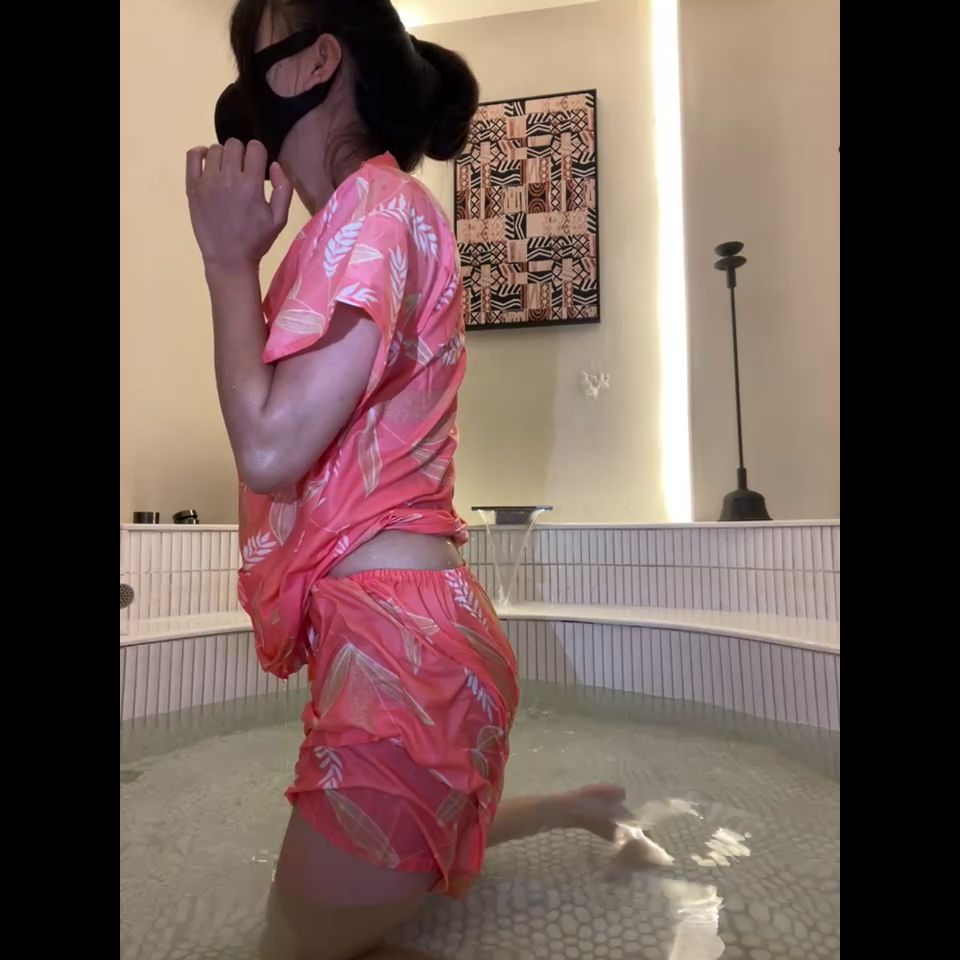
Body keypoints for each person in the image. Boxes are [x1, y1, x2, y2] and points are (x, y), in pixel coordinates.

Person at [185, 2, 632, 957]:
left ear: (317, 62)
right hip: (414, 643)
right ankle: (575, 809)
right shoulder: (360, 221)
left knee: (284, 949)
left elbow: (268, 449)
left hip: (401, 658)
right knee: (361, 898)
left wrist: (225, 264)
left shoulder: (377, 211)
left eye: (252, 54)